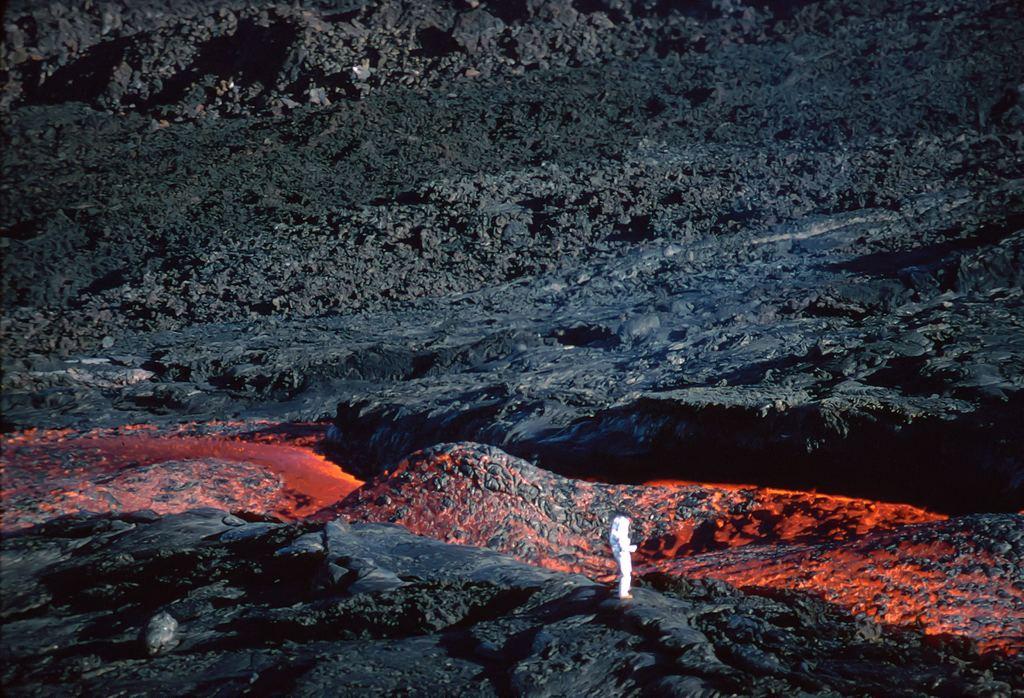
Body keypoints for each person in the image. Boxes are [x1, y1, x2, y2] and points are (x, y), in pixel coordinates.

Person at [609, 514, 637, 599]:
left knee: (627, 569)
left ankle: (626, 587)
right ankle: (623, 593)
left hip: (616, 548)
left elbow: (613, 537)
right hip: (622, 550)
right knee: (625, 572)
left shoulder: (616, 519)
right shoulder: (624, 522)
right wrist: (630, 548)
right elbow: (622, 537)